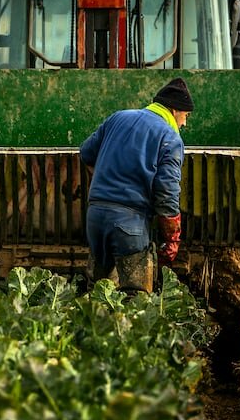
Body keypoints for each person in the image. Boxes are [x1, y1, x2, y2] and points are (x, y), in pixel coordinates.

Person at [79, 77, 193, 295]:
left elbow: (86, 153)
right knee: (136, 298)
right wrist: (171, 237)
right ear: (174, 109)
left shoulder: (118, 118)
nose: (184, 123)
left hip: (95, 217)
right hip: (129, 224)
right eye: (185, 116)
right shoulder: (169, 138)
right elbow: (167, 191)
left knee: (99, 295)